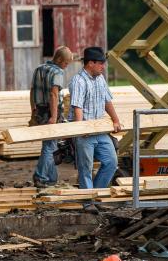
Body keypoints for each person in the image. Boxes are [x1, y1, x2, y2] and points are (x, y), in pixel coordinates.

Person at [68, 46, 122, 191]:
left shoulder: (100, 79)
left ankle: (96, 195)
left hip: (100, 130)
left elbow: (107, 101)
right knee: (86, 168)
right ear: (90, 63)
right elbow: (77, 106)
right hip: (85, 133)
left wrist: (115, 120)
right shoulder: (78, 81)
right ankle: (88, 202)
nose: (103, 67)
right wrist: (81, 129)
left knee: (111, 162)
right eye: (100, 63)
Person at [29, 46, 73, 188]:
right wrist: (54, 117)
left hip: (40, 110)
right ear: (59, 59)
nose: (66, 66)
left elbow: (32, 91)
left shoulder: (39, 69)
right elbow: (54, 95)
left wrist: (33, 112)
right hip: (52, 111)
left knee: (50, 145)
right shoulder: (57, 72)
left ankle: (52, 179)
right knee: (49, 146)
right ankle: (40, 176)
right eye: (66, 63)